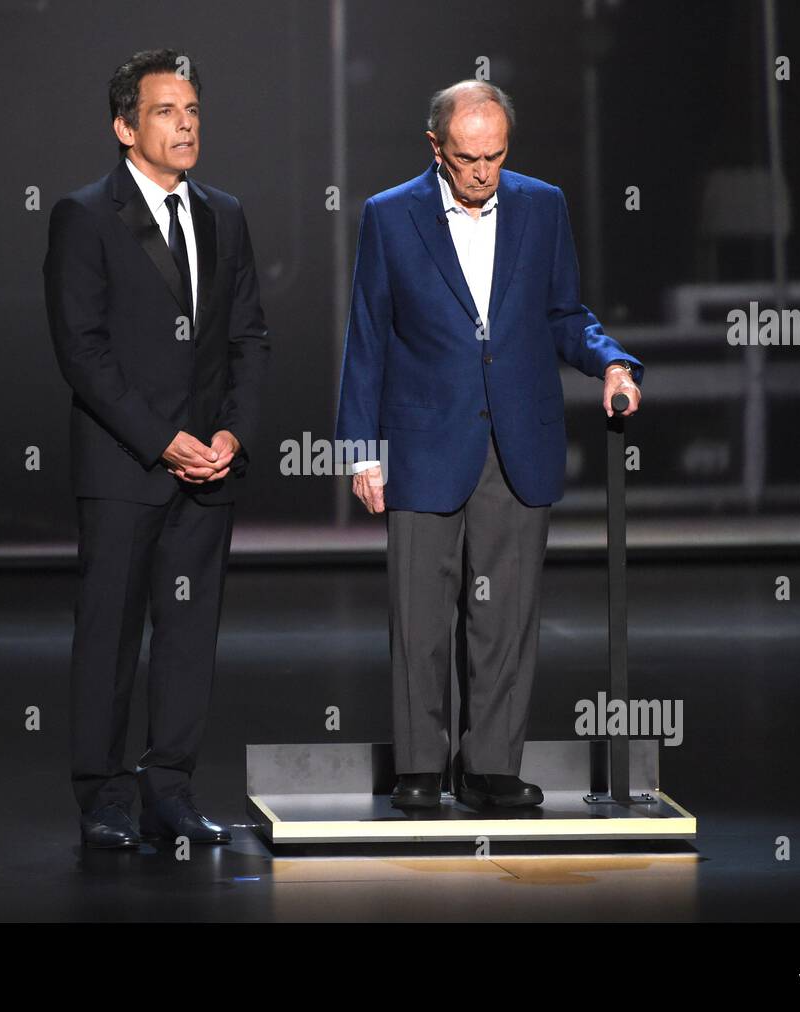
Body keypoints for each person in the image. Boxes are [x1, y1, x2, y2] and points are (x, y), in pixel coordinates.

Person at [334, 80, 642, 811]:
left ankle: (491, 766)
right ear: (436, 149)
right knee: (420, 615)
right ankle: (418, 768)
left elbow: (565, 311)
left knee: (504, 612)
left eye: (495, 157)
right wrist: (362, 451)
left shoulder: (542, 204)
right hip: (422, 439)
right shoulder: (389, 215)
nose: (483, 173)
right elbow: (367, 337)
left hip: (517, 440)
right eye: (468, 158)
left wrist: (612, 360)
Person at [43, 49, 269, 846]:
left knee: (186, 636)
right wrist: (164, 440)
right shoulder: (84, 215)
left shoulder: (225, 213)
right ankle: (104, 797)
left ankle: (169, 788)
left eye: (194, 111)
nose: (186, 125)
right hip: (126, 467)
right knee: (109, 634)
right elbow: (83, 352)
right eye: (167, 111)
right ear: (124, 126)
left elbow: (249, 338)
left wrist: (230, 433)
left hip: (210, 469)